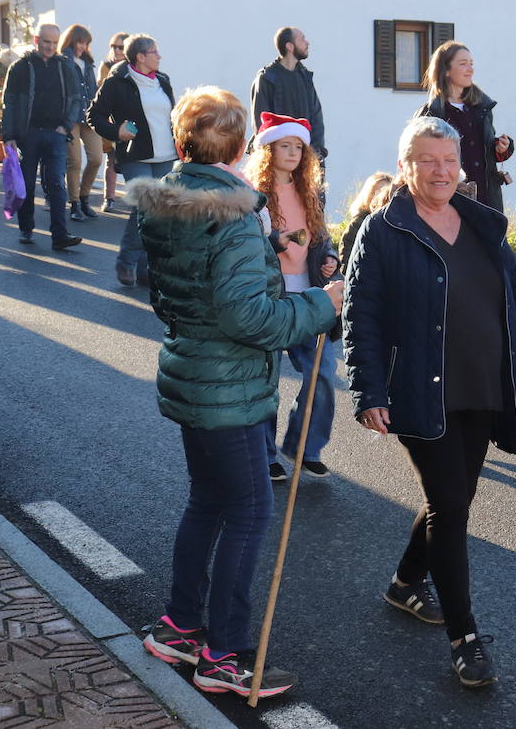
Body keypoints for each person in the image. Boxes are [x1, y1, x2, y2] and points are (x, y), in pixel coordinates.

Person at [131, 86, 342, 699]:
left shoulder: (172, 200)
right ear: (241, 144)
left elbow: (196, 277)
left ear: (181, 142)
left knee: (207, 502)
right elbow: (249, 318)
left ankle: (178, 627)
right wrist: (317, 306)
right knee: (249, 512)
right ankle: (223, 656)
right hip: (228, 385)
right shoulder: (233, 214)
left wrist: (265, 251)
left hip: (193, 372)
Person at [344, 116, 516, 688]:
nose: (441, 171)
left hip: (484, 383)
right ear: (405, 167)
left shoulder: (480, 224)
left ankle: (404, 583)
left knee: (455, 498)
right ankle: (464, 638)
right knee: (451, 505)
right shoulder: (383, 230)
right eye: (428, 161)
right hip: (421, 389)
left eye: (450, 160)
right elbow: (361, 316)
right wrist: (368, 390)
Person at [243, 112, 341, 480]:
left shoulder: (310, 191)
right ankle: (265, 455)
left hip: (309, 296)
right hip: (269, 296)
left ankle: (304, 446)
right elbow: (243, 243)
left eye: (299, 147)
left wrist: (329, 258)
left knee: (323, 374)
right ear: (268, 150)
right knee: (265, 381)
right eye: (285, 145)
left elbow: (321, 237)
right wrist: (273, 242)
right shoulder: (252, 193)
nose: (293, 153)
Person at [89, 34, 175, 286]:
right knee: (145, 207)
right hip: (136, 155)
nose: (159, 56)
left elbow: (173, 113)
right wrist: (116, 132)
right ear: (140, 56)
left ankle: (145, 269)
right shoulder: (117, 82)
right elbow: (94, 115)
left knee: (157, 213)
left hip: (165, 156)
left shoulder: (163, 80)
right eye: (154, 51)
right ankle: (125, 263)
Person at [0, 24, 83, 251]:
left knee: (56, 184)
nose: (50, 47)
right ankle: (26, 227)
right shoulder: (20, 67)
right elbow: (10, 103)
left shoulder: (66, 67)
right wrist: (9, 136)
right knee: (25, 184)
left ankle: (60, 235)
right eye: (46, 42)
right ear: (37, 39)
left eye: (55, 43)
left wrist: (65, 127)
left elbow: (77, 99)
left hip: (56, 134)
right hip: (29, 134)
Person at [413, 41, 512, 212]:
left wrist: (501, 147)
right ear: (446, 70)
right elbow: (419, 160)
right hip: (449, 202)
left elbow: (484, 151)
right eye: (463, 64)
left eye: (471, 64)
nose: (470, 69)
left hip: (487, 199)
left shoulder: (482, 107)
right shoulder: (430, 113)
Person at [250, 27, 326, 162]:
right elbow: (261, 122)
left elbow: (316, 117)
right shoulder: (267, 78)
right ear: (290, 46)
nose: (307, 43)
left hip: (304, 158)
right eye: (302, 39)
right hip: (276, 160)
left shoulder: (305, 77)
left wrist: (316, 155)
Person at [59, 24, 102, 221]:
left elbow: (93, 91)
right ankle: (75, 203)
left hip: (89, 117)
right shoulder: (63, 61)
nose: (82, 47)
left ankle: (84, 198)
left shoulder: (88, 63)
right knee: (74, 161)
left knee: (96, 159)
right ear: (71, 40)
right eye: (79, 42)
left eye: (85, 43)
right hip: (70, 117)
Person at [97, 32, 129, 211]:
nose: (116, 50)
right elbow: (101, 91)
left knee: (132, 160)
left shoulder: (134, 67)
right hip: (111, 120)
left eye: (120, 47)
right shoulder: (106, 66)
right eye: (113, 46)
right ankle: (109, 198)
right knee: (111, 159)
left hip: (130, 120)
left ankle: (137, 199)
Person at [339, 171, 394, 270]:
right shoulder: (358, 223)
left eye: (384, 192)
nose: (380, 196)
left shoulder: (396, 223)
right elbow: (346, 259)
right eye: (376, 192)